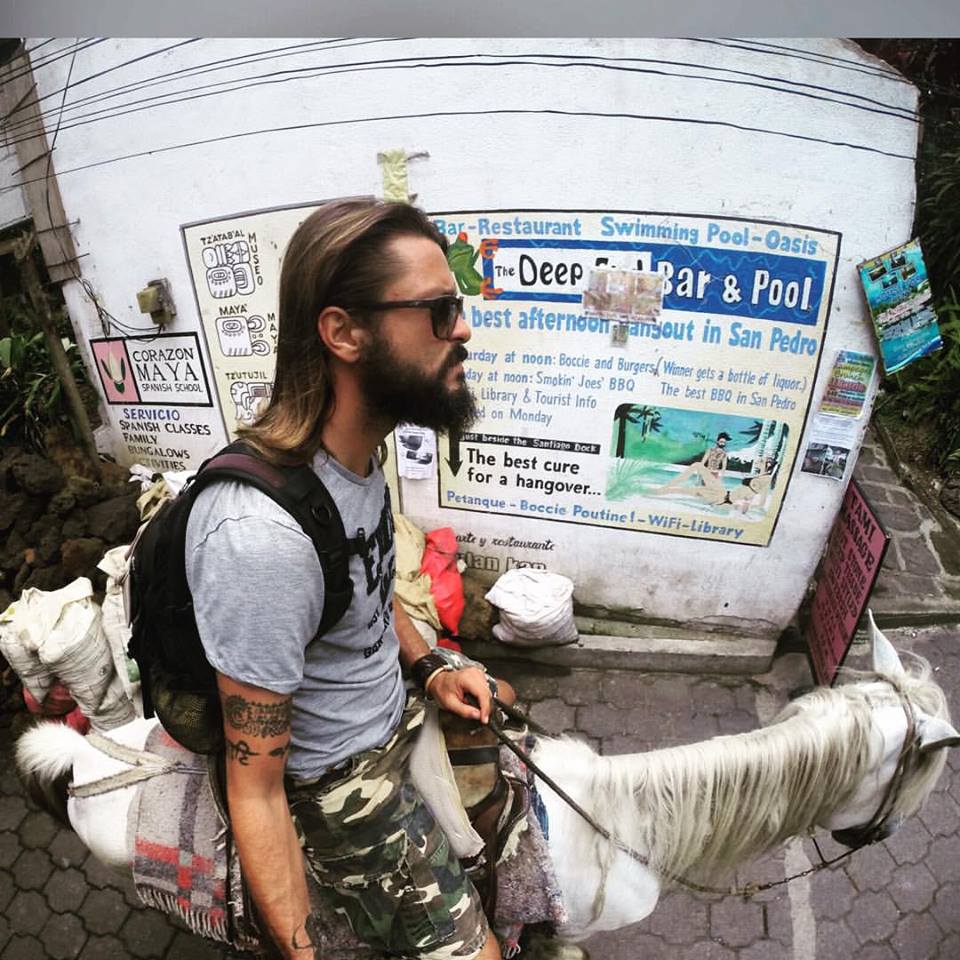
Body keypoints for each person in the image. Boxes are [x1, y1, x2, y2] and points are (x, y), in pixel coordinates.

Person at [184, 200, 507, 960]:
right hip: (338, 782)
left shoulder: (361, 456)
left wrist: (431, 665)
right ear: (344, 333)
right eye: (439, 310)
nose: (462, 329)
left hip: (393, 711)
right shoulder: (259, 538)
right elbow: (257, 786)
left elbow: (368, 585)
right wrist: (300, 951)